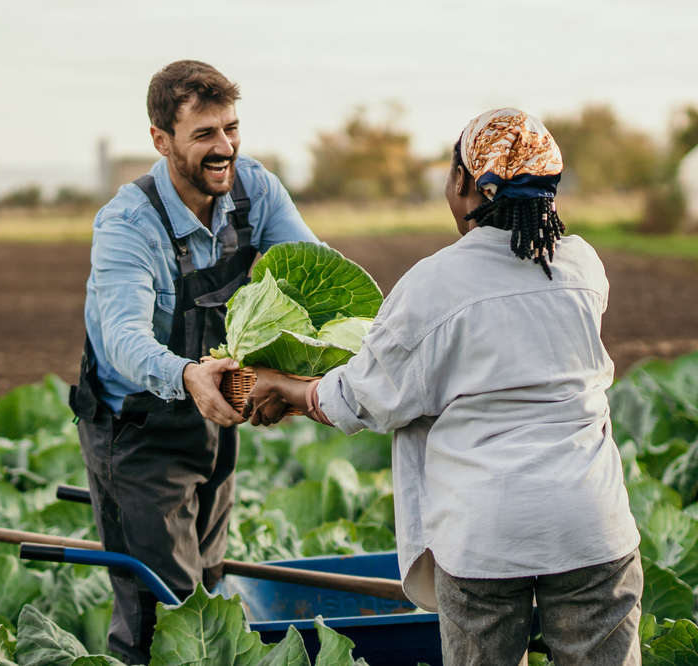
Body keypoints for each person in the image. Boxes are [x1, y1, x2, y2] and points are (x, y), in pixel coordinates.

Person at [242, 108, 643, 666]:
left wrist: (291, 388)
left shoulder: (435, 284)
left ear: (463, 182)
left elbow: (365, 397)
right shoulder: (581, 268)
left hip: (486, 533)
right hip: (590, 522)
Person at [69, 60, 320, 664]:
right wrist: (185, 374)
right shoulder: (129, 224)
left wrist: (306, 373)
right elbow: (124, 338)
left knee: (206, 599)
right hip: (138, 432)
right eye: (205, 134)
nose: (225, 147)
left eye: (231, 129)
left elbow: (315, 274)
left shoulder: (253, 189)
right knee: (162, 616)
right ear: (161, 140)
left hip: (214, 419)